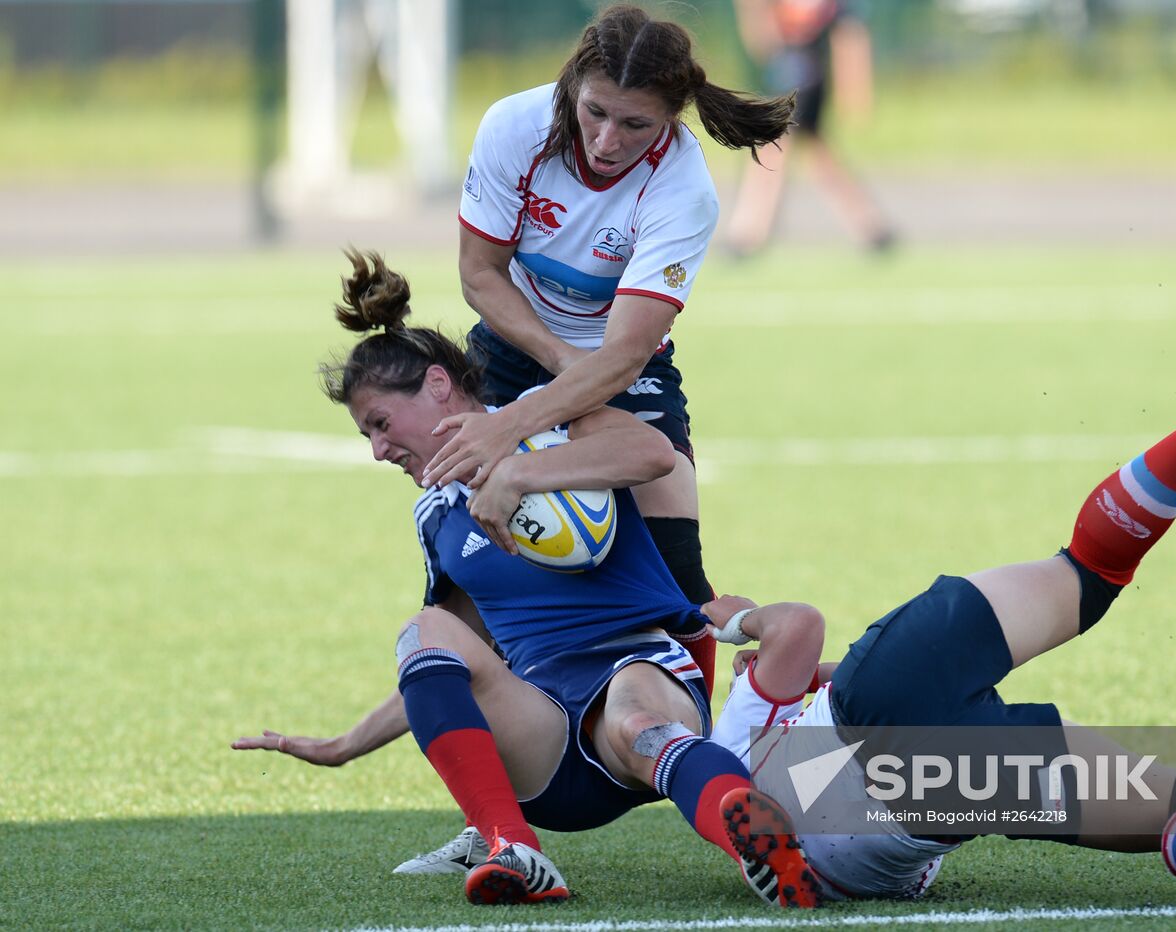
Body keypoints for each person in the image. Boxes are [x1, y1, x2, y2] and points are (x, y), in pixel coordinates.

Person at [232, 250, 820, 908]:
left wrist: (517, 472)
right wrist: (345, 746)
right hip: (544, 734)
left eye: (379, 423)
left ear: (435, 385)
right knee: (425, 627)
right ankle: (514, 847)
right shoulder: (435, 514)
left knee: (635, 725)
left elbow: (652, 453)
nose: (376, 449)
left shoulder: (551, 417)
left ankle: (755, 841)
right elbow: (444, 668)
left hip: (636, 671)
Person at [704, 343, 1176, 911]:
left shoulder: (736, 789)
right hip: (887, 685)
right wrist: (740, 620)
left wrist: (803, 681)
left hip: (933, 797)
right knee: (1089, 570)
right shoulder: (736, 730)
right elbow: (800, 626)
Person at [421, 4, 798, 695]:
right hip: (512, 344)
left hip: (627, 364)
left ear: (671, 120)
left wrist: (515, 423)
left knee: (680, 587)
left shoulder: (683, 189)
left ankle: (707, 733)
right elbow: (480, 273)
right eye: (595, 112)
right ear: (573, 84)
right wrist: (560, 365)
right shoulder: (514, 126)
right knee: (470, 587)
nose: (605, 140)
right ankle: (502, 758)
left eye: (635, 125)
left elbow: (625, 355)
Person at [726, 0, 893, 256]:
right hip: (793, 77)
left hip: (802, 80)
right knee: (816, 154)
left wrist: (856, 90)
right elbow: (763, 39)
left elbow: (849, 36)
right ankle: (870, 226)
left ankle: (748, 232)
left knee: (774, 149)